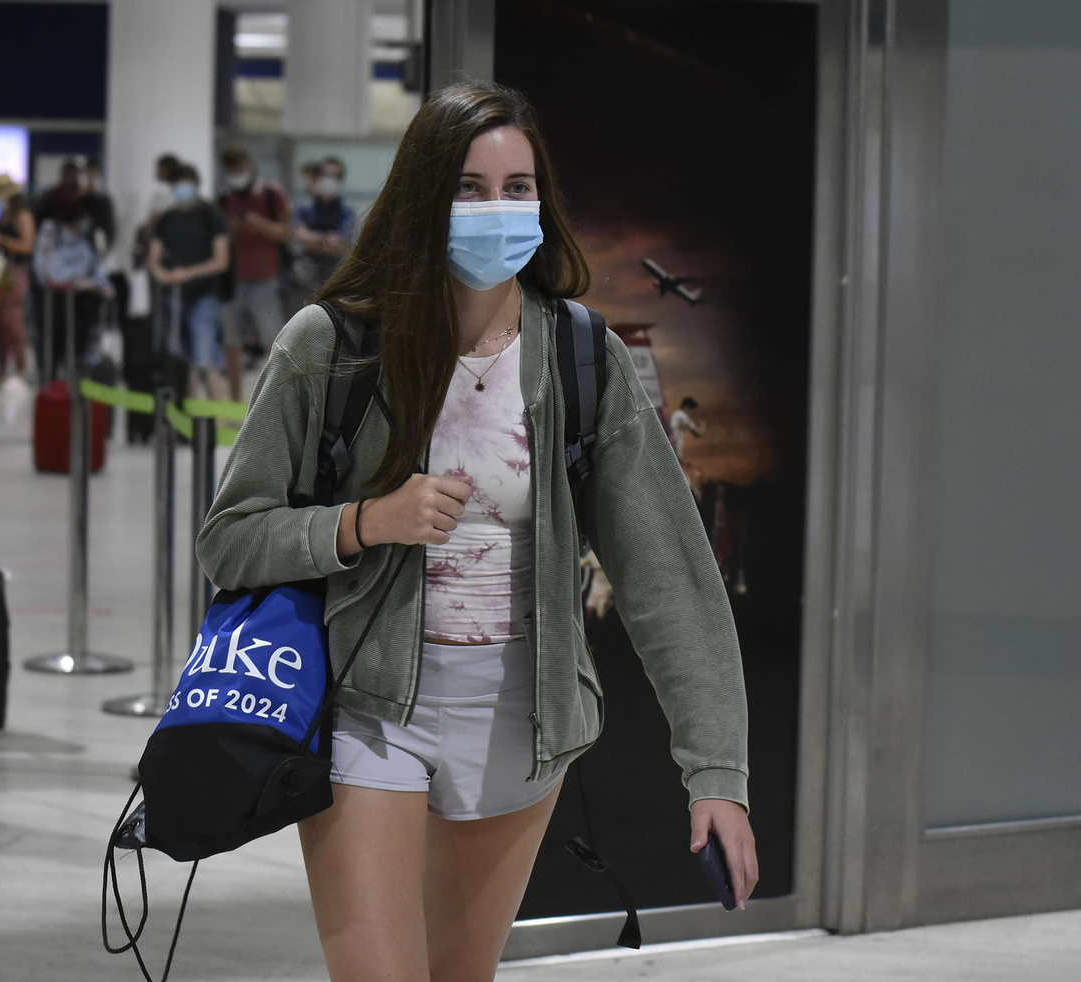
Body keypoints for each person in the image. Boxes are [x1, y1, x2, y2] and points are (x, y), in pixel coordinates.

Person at [195, 82, 758, 981]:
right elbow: (230, 539)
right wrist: (364, 522)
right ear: (422, 196)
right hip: (370, 713)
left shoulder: (580, 357)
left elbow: (671, 581)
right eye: (469, 187)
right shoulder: (331, 346)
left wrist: (715, 772)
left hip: (523, 720)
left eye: (518, 187)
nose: (498, 209)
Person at [216, 145, 291, 399]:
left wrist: (258, 225)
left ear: (249, 166)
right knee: (231, 342)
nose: (237, 175)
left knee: (275, 342)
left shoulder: (271, 194)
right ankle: (235, 401)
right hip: (232, 280)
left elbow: (285, 232)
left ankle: (277, 399)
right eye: (231, 171)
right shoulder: (224, 201)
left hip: (265, 280)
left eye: (240, 170)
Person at [149, 164, 230, 398]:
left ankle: (222, 422)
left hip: (204, 294)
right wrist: (163, 274)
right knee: (181, 363)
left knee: (205, 359)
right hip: (174, 297)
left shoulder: (210, 215)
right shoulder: (166, 219)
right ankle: (189, 421)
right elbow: (154, 258)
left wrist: (186, 273)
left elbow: (221, 260)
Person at [33, 198, 114, 373]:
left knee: (79, 342)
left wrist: (99, 284)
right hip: (54, 299)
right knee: (52, 342)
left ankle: (76, 380)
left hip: (79, 301)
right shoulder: (52, 232)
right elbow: (48, 271)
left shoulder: (87, 238)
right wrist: (74, 281)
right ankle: (50, 380)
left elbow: (96, 268)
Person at [0, 174, 35, 386]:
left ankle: (20, 369)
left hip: (15, 271)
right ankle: (2, 369)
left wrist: (1, 240)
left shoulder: (22, 216)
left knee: (12, 321)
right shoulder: (3, 216)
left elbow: (26, 246)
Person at [293, 155, 356, 288]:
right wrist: (328, 239)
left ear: (341, 180)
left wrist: (312, 240)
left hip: (334, 276)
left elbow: (342, 244)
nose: (330, 180)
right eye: (326, 175)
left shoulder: (347, 210)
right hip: (305, 277)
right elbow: (299, 237)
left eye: (335, 176)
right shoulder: (304, 207)